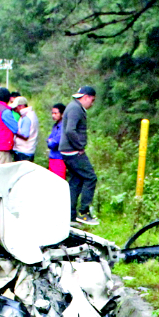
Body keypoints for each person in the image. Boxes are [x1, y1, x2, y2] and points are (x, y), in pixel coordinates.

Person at [59, 86, 98, 225]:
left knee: (76, 181)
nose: (92, 104)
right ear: (86, 97)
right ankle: (84, 212)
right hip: (73, 151)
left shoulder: (73, 106)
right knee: (90, 177)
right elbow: (70, 130)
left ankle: (70, 215)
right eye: (92, 100)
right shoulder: (76, 108)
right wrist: (79, 146)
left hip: (67, 150)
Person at [12, 97, 40, 162]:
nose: (15, 110)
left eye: (16, 108)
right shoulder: (32, 114)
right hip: (29, 150)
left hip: (23, 152)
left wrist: (14, 132)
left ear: (21, 106)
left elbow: (25, 135)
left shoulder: (26, 118)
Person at [47, 103, 66, 179]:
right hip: (53, 157)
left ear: (62, 114)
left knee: (58, 181)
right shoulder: (55, 126)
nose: (53, 115)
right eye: (52, 113)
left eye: (55, 113)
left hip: (59, 159)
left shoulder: (63, 127)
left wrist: (50, 141)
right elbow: (49, 140)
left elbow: (53, 143)